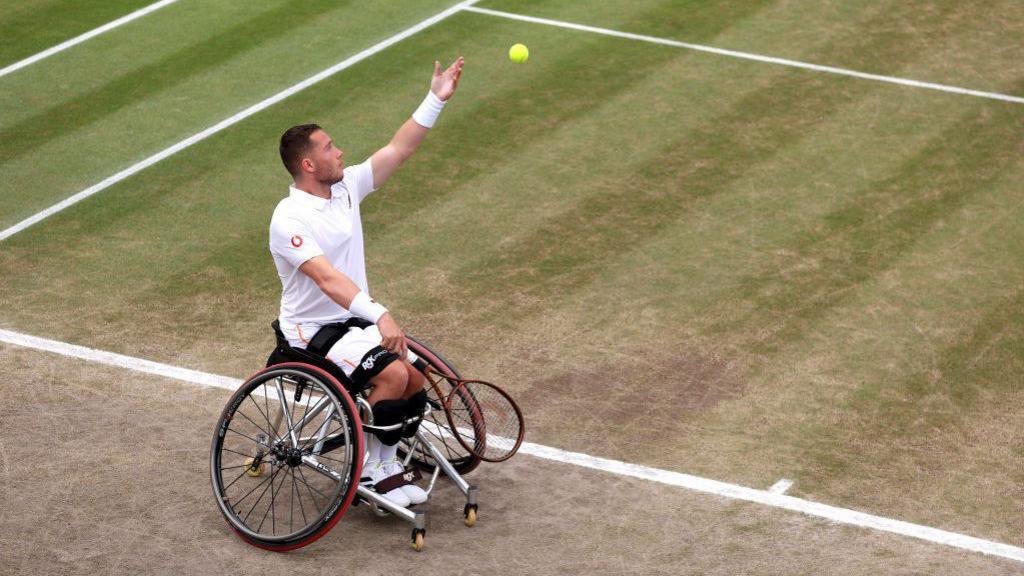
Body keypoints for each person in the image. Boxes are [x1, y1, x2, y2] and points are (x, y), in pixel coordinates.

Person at [268, 57, 465, 507]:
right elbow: (326, 279)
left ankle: (383, 464)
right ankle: (373, 472)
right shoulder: (290, 218)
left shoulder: (345, 188)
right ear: (308, 164)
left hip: (352, 324)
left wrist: (435, 98)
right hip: (312, 331)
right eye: (329, 147)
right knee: (396, 374)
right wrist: (379, 313)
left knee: (414, 379)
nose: (339, 152)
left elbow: (399, 149)